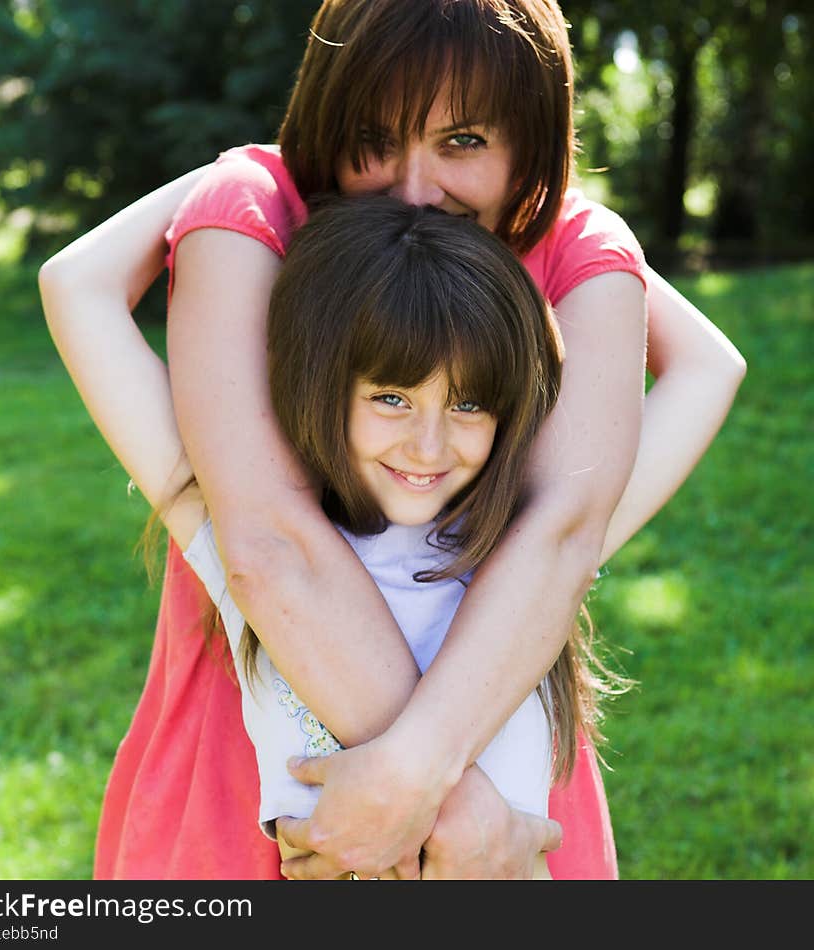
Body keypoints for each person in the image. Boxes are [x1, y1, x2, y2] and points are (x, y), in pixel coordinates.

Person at [39, 0, 746, 880]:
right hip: (298, 780)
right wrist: (449, 812)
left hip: (490, 754)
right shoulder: (259, 214)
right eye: (373, 137)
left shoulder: (574, 253)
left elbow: (561, 537)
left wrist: (417, 790)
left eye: (463, 142)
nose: (415, 189)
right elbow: (267, 543)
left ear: (531, 140)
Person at [45, 193, 594, 880]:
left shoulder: (529, 546)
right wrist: (247, 174)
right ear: (323, 385)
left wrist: (558, 219)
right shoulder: (262, 544)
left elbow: (711, 367)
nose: (429, 446)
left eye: (468, 403)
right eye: (391, 398)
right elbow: (75, 286)